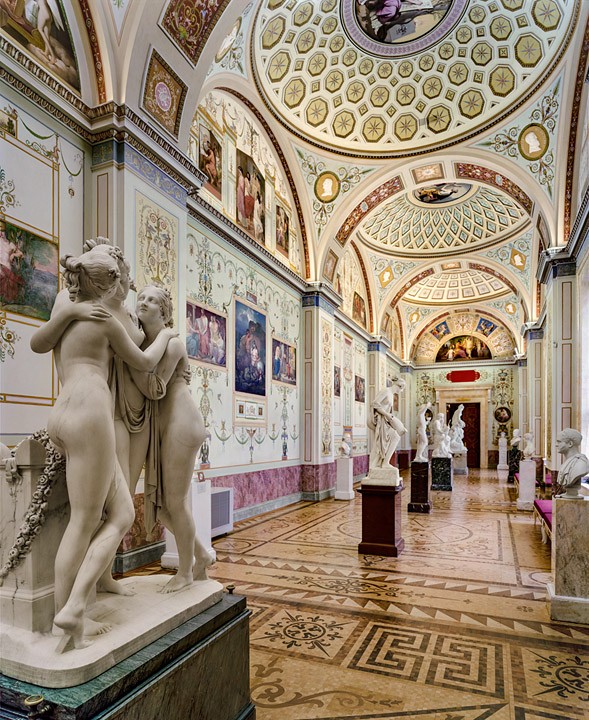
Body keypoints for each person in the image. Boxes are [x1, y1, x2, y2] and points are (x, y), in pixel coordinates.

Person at [30, 250, 175, 650]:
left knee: (119, 512)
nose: (128, 287)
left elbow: (38, 343)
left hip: (62, 411)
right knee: (85, 520)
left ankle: (76, 606)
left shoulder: (66, 301)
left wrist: (69, 315)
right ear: (111, 284)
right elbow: (143, 361)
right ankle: (69, 615)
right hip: (92, 411)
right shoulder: (107, 319)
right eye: (123, 280)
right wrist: (166, 335)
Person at [133, 286, 212, 591]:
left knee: (175, 503)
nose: (143, 302)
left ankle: (186, 572)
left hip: (182, 422)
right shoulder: (147, 343)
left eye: (152, 300)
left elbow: (155, 389)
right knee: (165, 507)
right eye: (141, 298)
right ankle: (201, 556)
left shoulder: (173, 343)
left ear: (164, 311)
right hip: (166, 424)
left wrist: (128, 364)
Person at [367, 379, 407, 468]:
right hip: (378, 419)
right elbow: (375, 404)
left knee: (393, 438)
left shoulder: (391, 395)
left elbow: (389, 413)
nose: (401, 391)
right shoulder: (386, 391)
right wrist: (386, 415)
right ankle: (384, 463)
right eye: (402, 389)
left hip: (384, 420)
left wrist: (398, 425)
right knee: (393, 437)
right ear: (399, 386)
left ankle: (384, 462)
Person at [555, 429, 589, 498]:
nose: (556, 445)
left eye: (559, 442)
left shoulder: (580, 463)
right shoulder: (567, 462)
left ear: (570, 444)